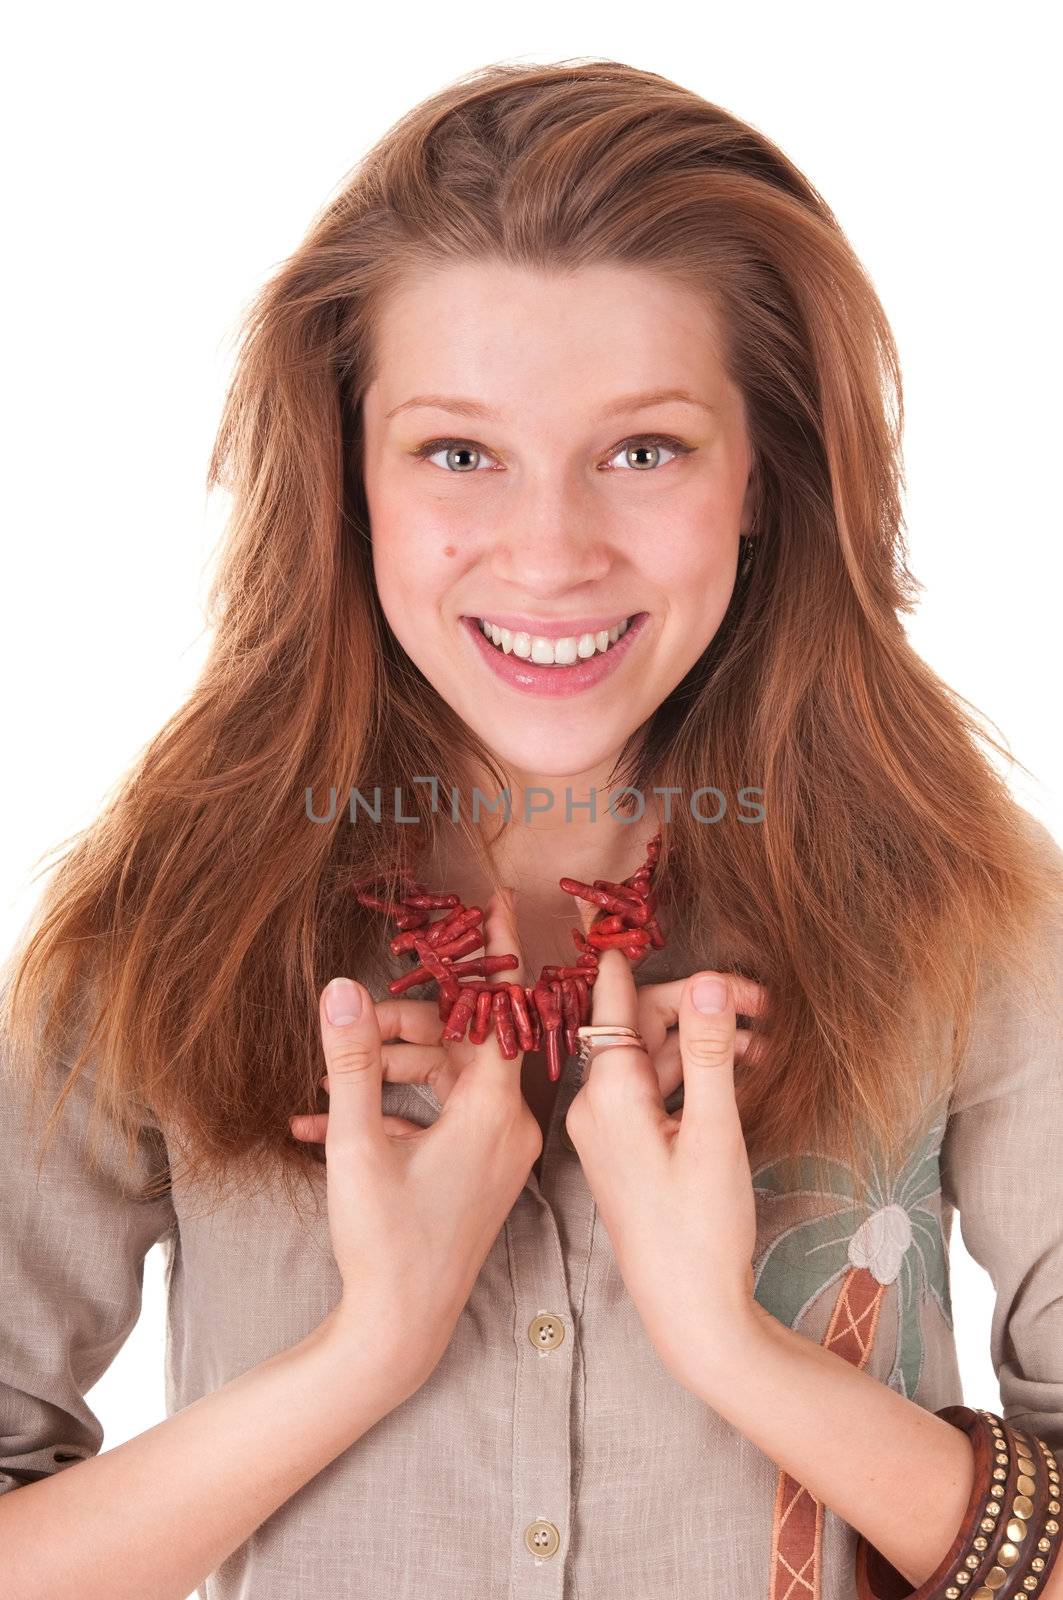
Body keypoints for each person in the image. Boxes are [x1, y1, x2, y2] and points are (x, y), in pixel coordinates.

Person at [1, 57, 1061, 1600]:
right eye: (457, 453)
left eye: (643, 451)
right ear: (349, 479)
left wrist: (731, 1344)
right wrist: (373, 1345)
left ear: (763, 475)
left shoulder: (972, 908)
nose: (550, 552)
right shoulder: (169, 919)